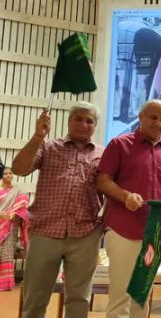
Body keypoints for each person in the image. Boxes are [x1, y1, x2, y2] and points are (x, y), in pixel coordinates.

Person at [12, 102, 104, 318]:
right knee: (35, 297)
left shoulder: (104, 153)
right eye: (78, 119)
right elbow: (19, 169)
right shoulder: (47, 146)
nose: (84, 124)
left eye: (89, 121)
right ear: (69, 121)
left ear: (96, 125)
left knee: (79, 298)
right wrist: (37, 136)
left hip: (85, 234)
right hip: (45, 231)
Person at [97, 99, 161, 318]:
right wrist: (124, 196)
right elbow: (103, 181)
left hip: (155, 233)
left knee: (141, 297)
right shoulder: (119, 144)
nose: (158, 123)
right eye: (153, 117)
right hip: (123, 230)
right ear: (141, 117)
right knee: (121, 297)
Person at [0, 167, 30, 291]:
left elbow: (23, 204)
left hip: (11, 225)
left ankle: (5, 283)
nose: (8, 175)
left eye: (10, 173)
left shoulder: (18, 190)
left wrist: (13, 213)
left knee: (7, 252)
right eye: (5, 173)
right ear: (2, 176)